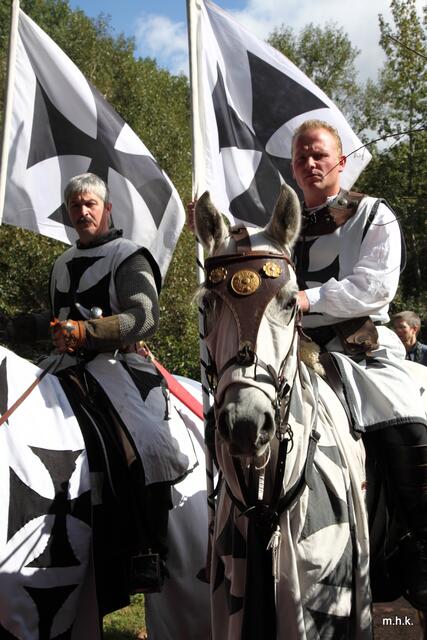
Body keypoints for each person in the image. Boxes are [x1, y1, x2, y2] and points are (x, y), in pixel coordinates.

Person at [0, 172, 197, 614]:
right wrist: (15, 326)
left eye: (90, 203)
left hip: (119, 367)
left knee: (144, 444)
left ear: (107, 209)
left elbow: (144, 317)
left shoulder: (129, 256)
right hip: (65, 368)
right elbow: (57, 319)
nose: (82, 211)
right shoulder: (62, 262)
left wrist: (87, 331)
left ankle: (147, 548)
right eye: (75, 206)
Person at [291, 119, 427, 610]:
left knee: (406, 415)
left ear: (341, 161)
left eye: (320, 154)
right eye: (302, 157)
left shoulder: (374, 213)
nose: (311, 163)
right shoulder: (283, 223)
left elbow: (375, 287)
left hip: (360, 348)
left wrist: (307, 299)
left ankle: (418, 542)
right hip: (294, 348)